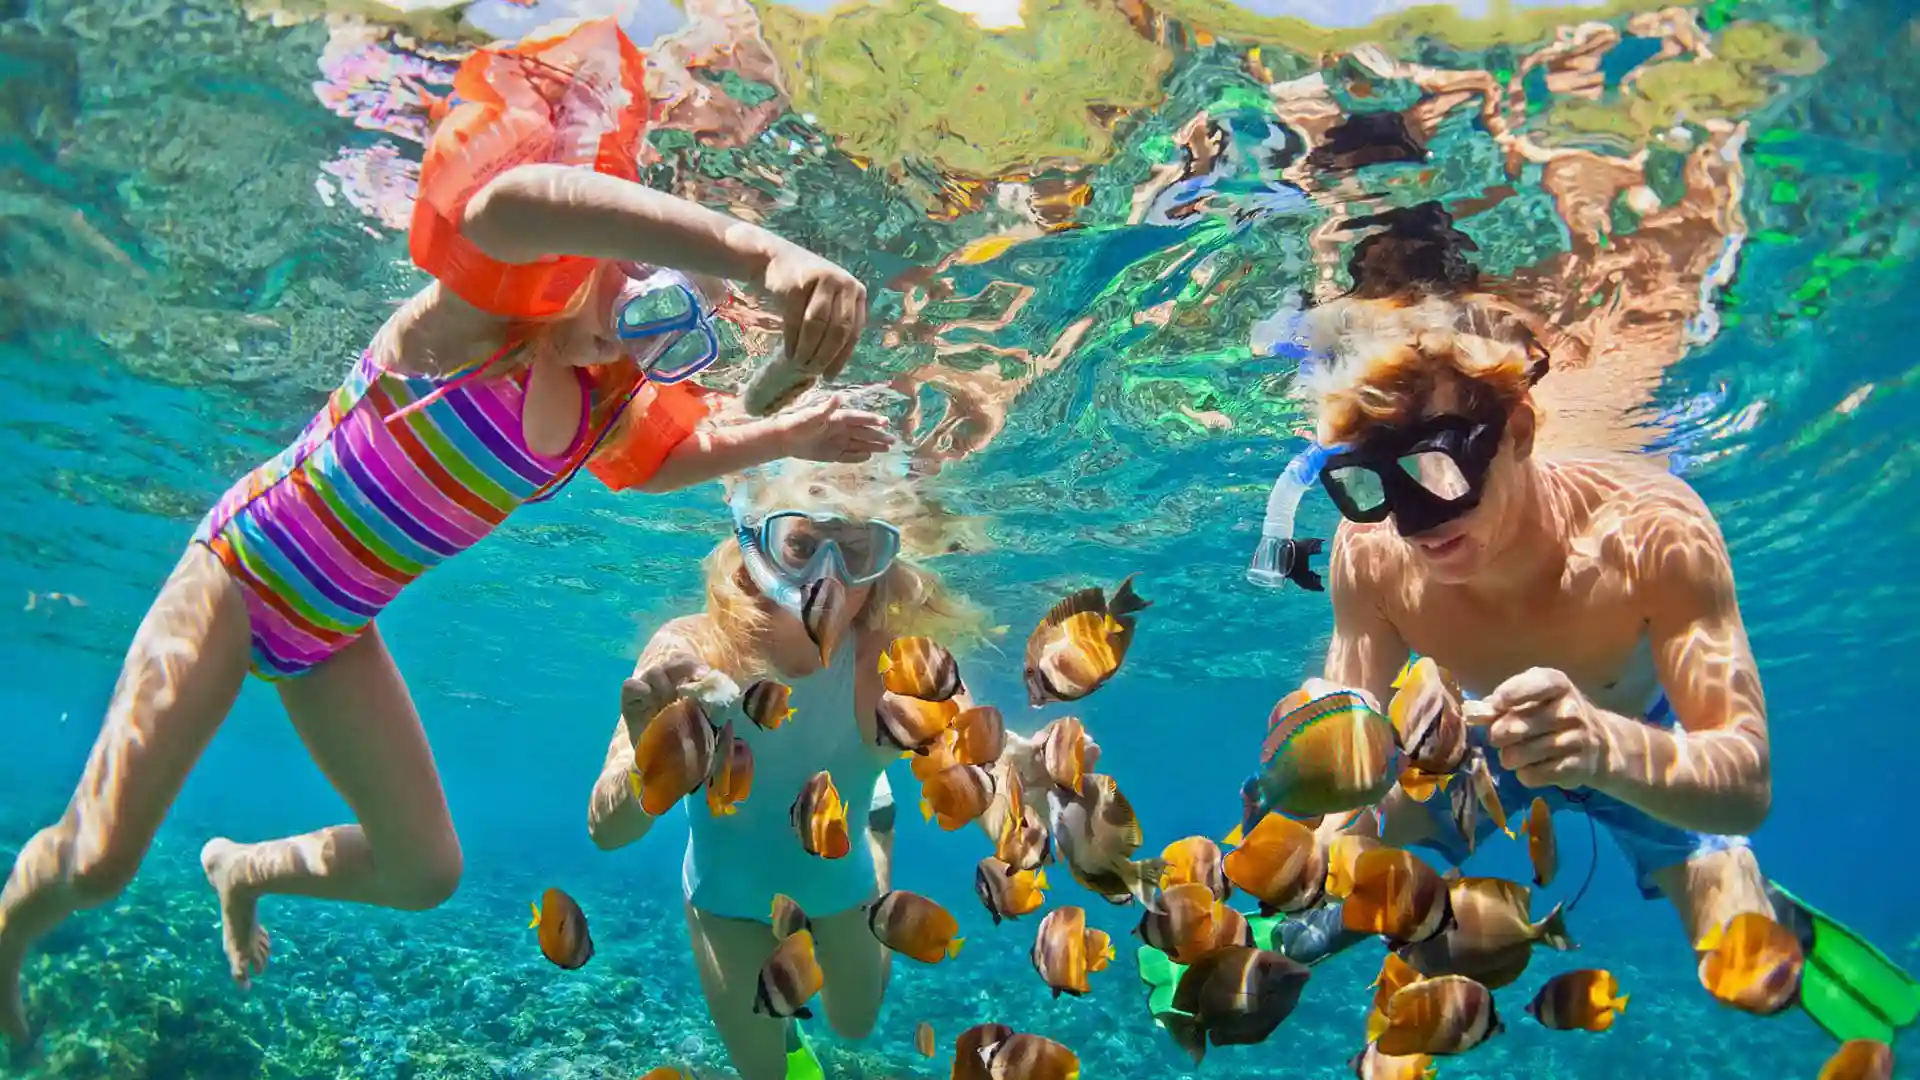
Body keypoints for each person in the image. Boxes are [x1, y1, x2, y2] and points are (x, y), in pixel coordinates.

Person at [0, 19, 897, 1053]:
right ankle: (10, 934)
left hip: (335, 629)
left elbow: (677, 458)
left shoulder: (605, 408)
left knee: (426, 872)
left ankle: (241, 868)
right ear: (603, 246)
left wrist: (794, 429)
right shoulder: (469, 323)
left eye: (674, 322)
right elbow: (507, 205)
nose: (639, 319)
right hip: (242, 575)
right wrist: (763, 252)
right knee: (102, 859)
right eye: (635, 280)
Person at [1216, 288, 1916, 1044]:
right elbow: (1354, 762)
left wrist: (1605, 748)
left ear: (1517, 430)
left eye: (1439, 470)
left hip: (1641, 739)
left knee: (1740, 957)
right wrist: (1304, 861)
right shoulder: (1371, 554)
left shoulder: (1654, 530)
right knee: (1338, 879)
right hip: (1472, 743)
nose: (1415, 522)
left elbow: (1745, 783)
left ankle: (1758, 908)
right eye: (1371, 485)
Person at [586, 446, 986, 1080]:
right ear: (754, 544)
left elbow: (981, 766)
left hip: (840, 879)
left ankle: (876, 832)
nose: (825, 578)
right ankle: (872, 802)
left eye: (854, 552)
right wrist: (648, 756)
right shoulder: (691, 650)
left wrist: (1027, 776)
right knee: (765, 1073)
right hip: (725, 897)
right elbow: (607, 832)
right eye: (802, 546)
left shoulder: (899, 661)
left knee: (855, 1026)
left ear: (882, 568)